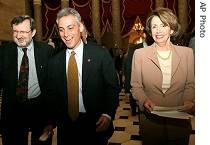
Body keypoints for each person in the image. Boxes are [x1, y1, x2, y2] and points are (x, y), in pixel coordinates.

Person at [46, 8, 119, 145]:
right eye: (61, 29)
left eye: (70, 28)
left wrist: (108, 114)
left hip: (95, 123)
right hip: (66, 127)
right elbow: (52, 95)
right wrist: (50, 121)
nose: (65, 34)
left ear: (80, 27)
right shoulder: (54, 61)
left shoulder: (100, 54)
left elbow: (112, 87)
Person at [130, 8, 194, 145]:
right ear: (150, 31)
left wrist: (189, 100)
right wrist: (143, 100)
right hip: (151, 124)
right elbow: (136, 86)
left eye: (163, 25)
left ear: (171, 29)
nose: (158, 30)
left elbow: (190, 84)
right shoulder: (140, 55)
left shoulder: (187, 53)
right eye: (154, 26)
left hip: (179, 123)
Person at [0, 15, 54, 145]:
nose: (19, 36)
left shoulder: (46, 51)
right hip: (13, 109)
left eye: (23, 32)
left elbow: (53, 86)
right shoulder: (3, 52)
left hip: (39, 108)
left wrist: (52, 119)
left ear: (33, 32)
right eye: (15, 31)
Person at [123, 43, 144, 116]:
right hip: (135, 79)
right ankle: (134, 110)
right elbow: (128, 68)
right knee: (133, 95)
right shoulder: (130, 53)